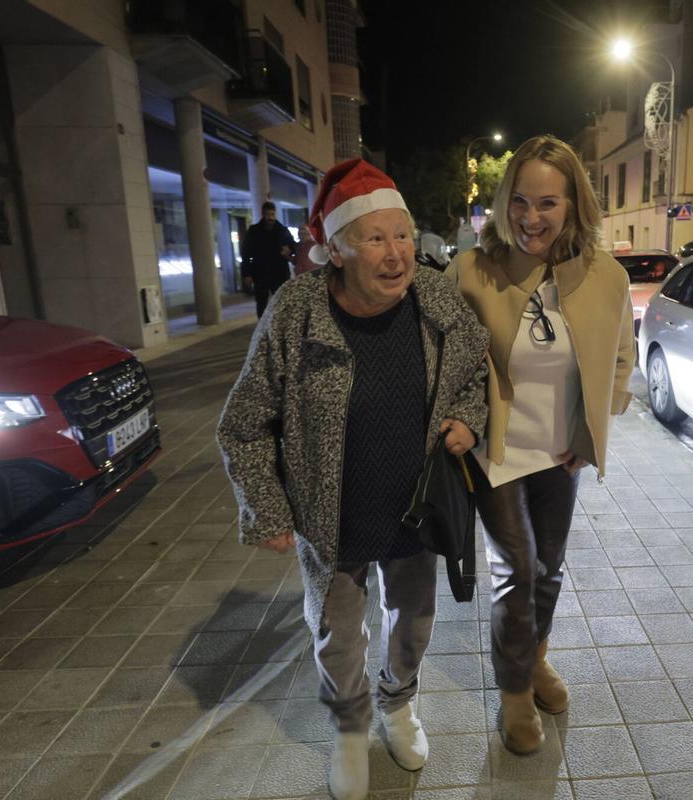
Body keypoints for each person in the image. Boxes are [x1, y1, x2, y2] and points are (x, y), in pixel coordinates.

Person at [218, 159, 489, 800]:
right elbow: (244, 420)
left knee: (414, 619)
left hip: (415, 507)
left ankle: (398, 706)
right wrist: (269, 509)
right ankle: (349, 727)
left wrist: (468, 421)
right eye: (374, 239)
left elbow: (476, 367)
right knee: (338, 631)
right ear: (335, 249)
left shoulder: (435, 296)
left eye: (402, 235)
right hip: (329, 511)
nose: (396, 254)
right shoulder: (296, 311)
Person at [446, 135, 634, 754]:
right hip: (496, 451)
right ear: (504, 203)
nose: (532, 218)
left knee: (549, 569)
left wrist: (594, 426)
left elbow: (621, 360)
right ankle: (514, 695)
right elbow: (436, 354)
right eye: (521, 202)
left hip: (562, 450)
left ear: (574, 204)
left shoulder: (605, 275)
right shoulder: (472, 269)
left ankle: (536, 659)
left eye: (548, 203)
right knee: (517, 571)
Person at [241, 200, 295, 316]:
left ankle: (280, 326)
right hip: (260, 272)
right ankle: (262, 328)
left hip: (279, 271)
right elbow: (245, 253)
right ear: (263, 214)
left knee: (281, 301)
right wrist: (246, 273)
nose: (270, 218)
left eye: (272, 215)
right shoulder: (254, 231)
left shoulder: (282, 230)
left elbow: (293, 246)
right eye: (267, 214)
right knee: (261, 303)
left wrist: (289, 252)